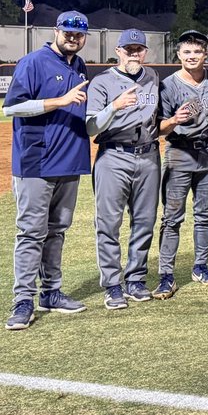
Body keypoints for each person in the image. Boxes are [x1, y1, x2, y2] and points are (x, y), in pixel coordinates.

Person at [1, 10, 92, 330]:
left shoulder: (78, 65)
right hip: (36, 163)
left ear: (85, 37)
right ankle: (23, 299)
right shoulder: (33, 62)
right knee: (30, 233)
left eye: (79, 34)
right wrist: (59, 100)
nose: (72, 38)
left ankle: (50, 292)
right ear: (56, 31)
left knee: (57, 232)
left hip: (70, 162)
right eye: (67, 32)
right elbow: (10, 107)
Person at [86, 28, 161, 310]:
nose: (133, 53)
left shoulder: (152, 77)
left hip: (149, 155)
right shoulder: (102, 82)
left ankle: (136, 279)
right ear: (118, 51)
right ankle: (113, 284)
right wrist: (114, 107)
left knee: (144, 221)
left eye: (138, 49)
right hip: (113, 156)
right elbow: (90, 126)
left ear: (145, 52)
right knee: (108, 223)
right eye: (128, 49)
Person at [154, 29, 208, 299]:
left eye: (197, 51)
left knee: (205, 215)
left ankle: (200, 266)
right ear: (178, 55)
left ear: (205, 54)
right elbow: (158, 129)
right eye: (187, 51)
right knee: (172, 217)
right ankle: (166, 275)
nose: (192, 56)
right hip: (179, 151)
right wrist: (174, 120)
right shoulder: (168, 85)